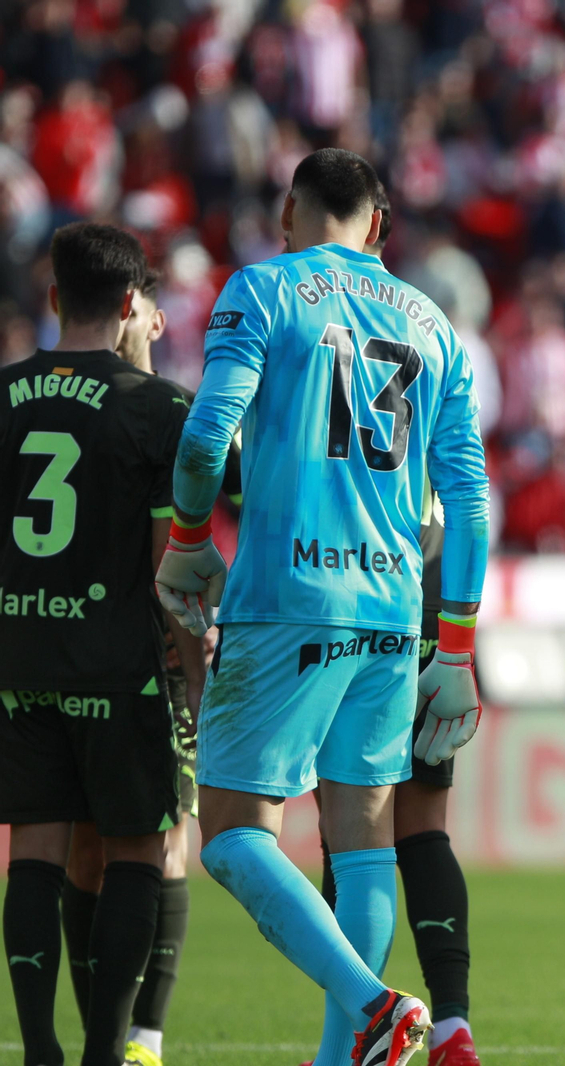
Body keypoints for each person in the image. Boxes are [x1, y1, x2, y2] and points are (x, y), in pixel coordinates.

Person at [154, 148, 490, 1066]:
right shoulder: (435, 325)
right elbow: (467, 503)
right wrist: (453, 651)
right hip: (392, 608)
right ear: (379, 224)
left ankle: (372, 1004)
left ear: (290, 210)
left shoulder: (260, 290)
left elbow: (205, 435)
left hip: (287, 600)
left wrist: (189, 541)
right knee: (363, 840)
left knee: (228, 833)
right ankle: (344, 1055)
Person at [0, 223, 206, 1066]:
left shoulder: (2, 393)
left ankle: (39, 1047)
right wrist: (192, 662)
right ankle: (103, 1051)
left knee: (34, 855)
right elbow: (185, 543)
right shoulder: (157, 407)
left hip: (21, 660)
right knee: (137, 852)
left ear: (53, 298)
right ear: (132, 305)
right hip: (118, 664)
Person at [311, 183, 482, 1066]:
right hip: (414, 581)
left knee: (349, 821)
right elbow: (463, 499)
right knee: (423, 825)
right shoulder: (430, 332)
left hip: (332, 584)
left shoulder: (302, 321)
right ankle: (450, 1022)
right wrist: (458, 634)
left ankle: (362, 1026)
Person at [59, 268, 242, 1066]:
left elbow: (230, 497)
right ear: (130, 311)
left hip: (163, 655)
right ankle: (100, 1022)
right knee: (84, 849)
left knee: (167, 843)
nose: (156, 318)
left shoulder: (181, 413)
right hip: (85, 649)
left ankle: (145, 1037)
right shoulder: (84, 406)